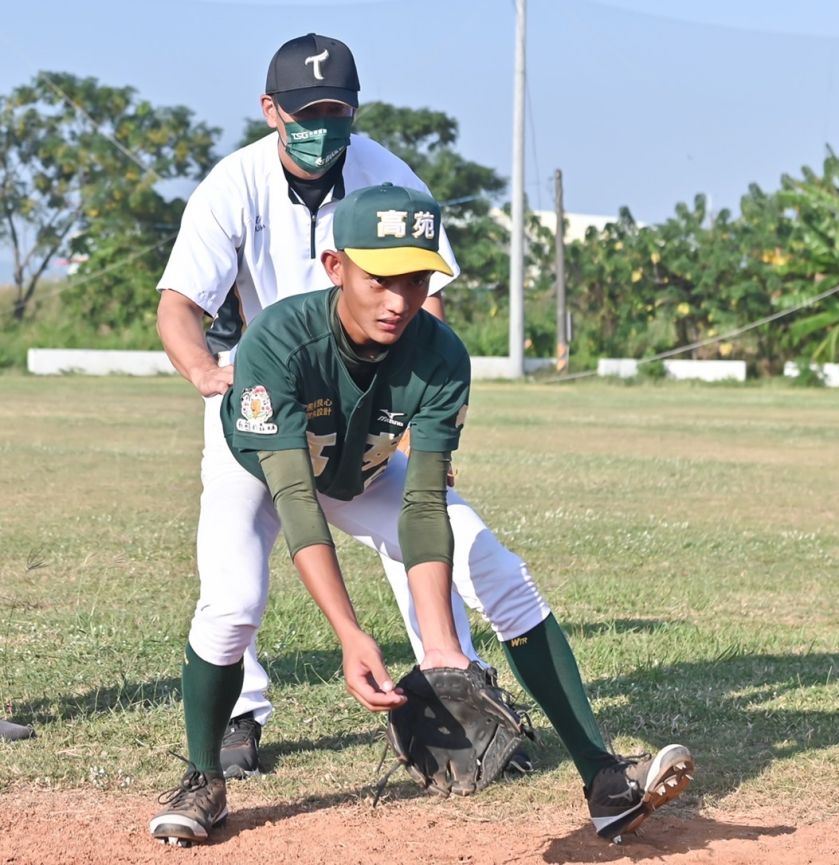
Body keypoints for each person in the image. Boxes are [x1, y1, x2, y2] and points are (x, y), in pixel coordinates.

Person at [148, 184, 694, 846]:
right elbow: (295, 498)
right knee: (234, 603)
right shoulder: (280, 340)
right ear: (335, 267)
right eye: (379, 278)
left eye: (415, 278)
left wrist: (440, 649)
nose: (398, 300)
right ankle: (203, 779)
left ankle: (604, 779)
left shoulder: (441, 354)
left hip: (363, 469)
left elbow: (425, 500)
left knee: (499, 571)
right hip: (259, 467)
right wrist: (351, 634)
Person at [155, 32, 515, 779]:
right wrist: (206, 374)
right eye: (305, 111)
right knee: (234, 581)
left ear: (355, 109)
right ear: (271, 110)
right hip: (268, 398)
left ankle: (454, 691)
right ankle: (238, 712)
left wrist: (420, 423)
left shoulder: (389, 177)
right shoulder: (234, 183)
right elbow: (179, 304)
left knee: (431, 530)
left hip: (368, 396)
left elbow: (427, 301)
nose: (321, 125)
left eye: (335, 110)